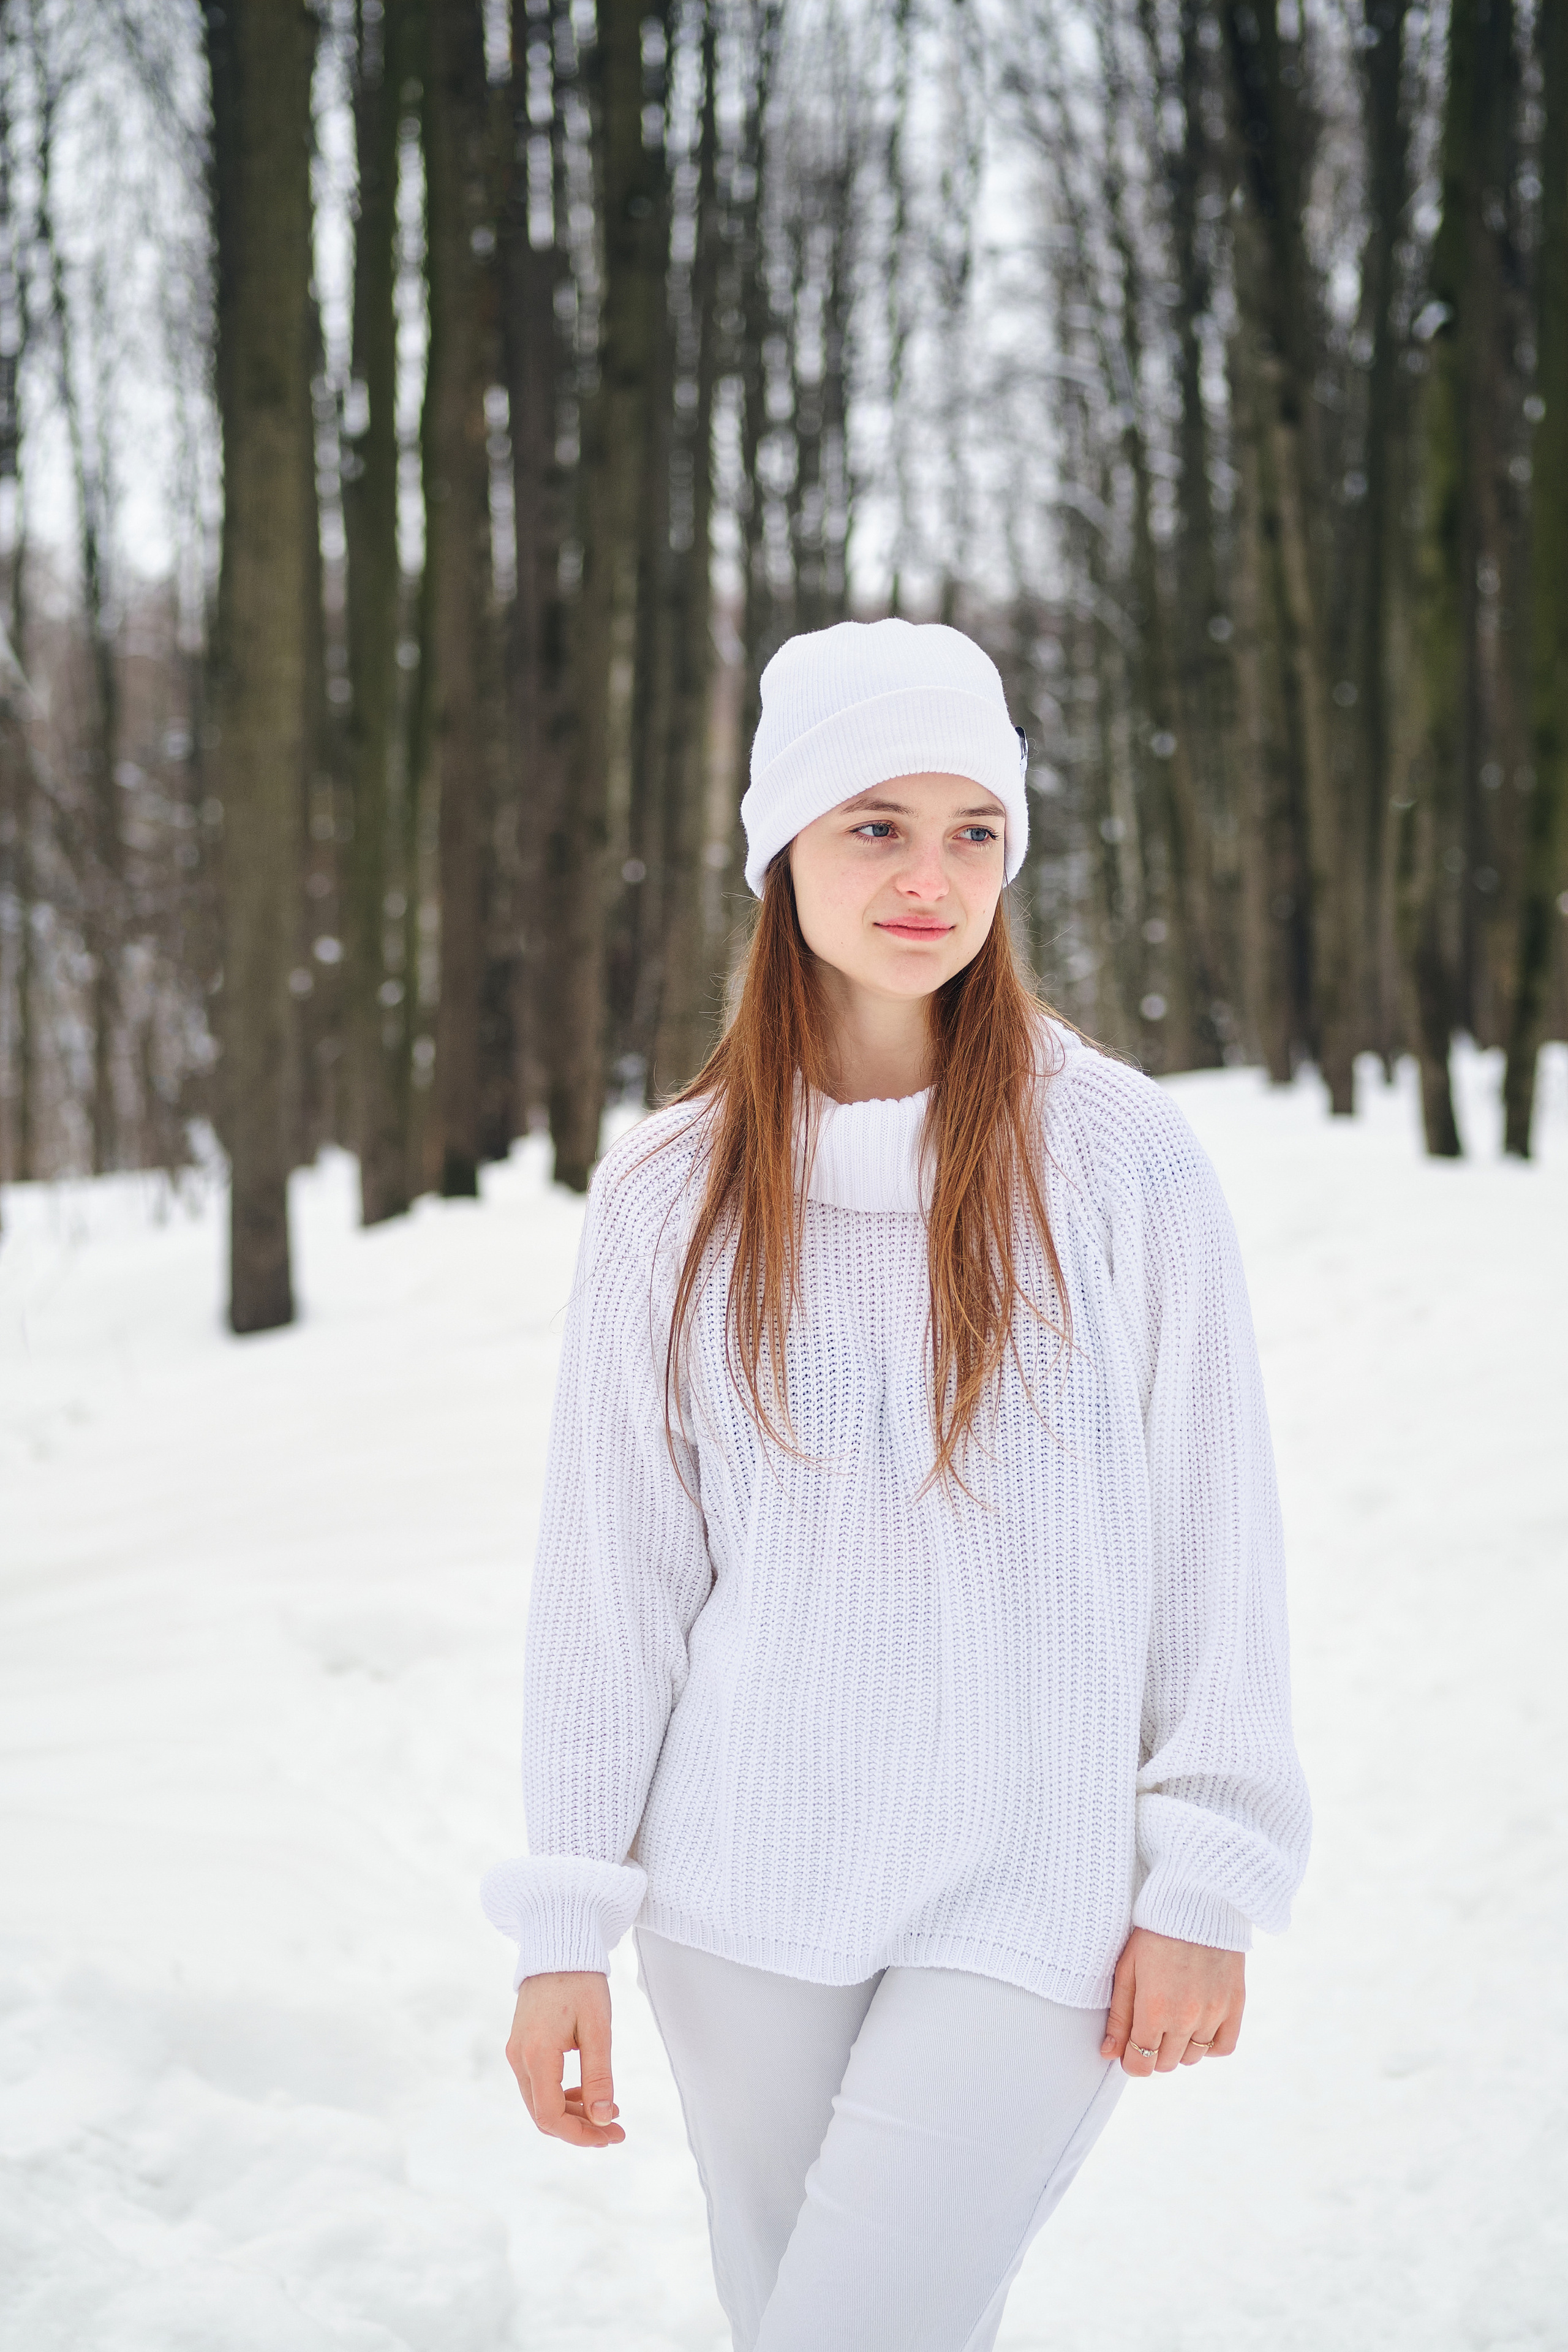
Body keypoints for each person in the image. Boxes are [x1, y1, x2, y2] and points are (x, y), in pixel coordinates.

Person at [482, 619, 1311, 2352]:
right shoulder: (668, 1197)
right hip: (742, 1898)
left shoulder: (1124, 1165)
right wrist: (566, 1923)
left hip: (1033, 1887)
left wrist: (1208, 1876)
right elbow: (612, 1593)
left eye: (974, 830)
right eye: (876, 825)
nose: (932, 878)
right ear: (782, 850)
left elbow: (1214, 1550)